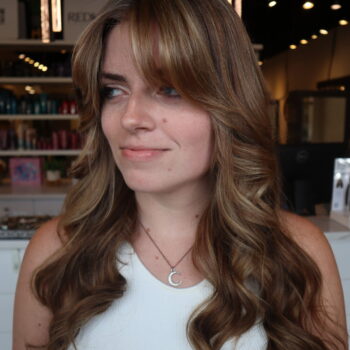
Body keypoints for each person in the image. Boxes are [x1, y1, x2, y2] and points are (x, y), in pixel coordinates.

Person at [13, 0, 348, 349]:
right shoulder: (57, 251)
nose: (130, 118)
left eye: (169, 90)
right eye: (113, 90)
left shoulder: (297, 251)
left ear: (229, 104)